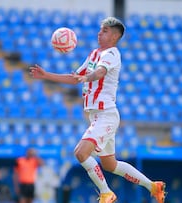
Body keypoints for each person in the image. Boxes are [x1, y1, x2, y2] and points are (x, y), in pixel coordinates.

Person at [29, 17, 166, 203]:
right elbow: (75, 77)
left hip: (106, 115)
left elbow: (99, 73)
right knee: (110, 165)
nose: (99, 33)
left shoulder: (112, 53)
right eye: (100, 30)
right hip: (97, 117)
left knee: (80, 152)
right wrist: (46, 75)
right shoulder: (94, 54)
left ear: (115, 36)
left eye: (105, 31)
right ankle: (153, 186)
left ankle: (106, 193)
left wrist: (88, 78)